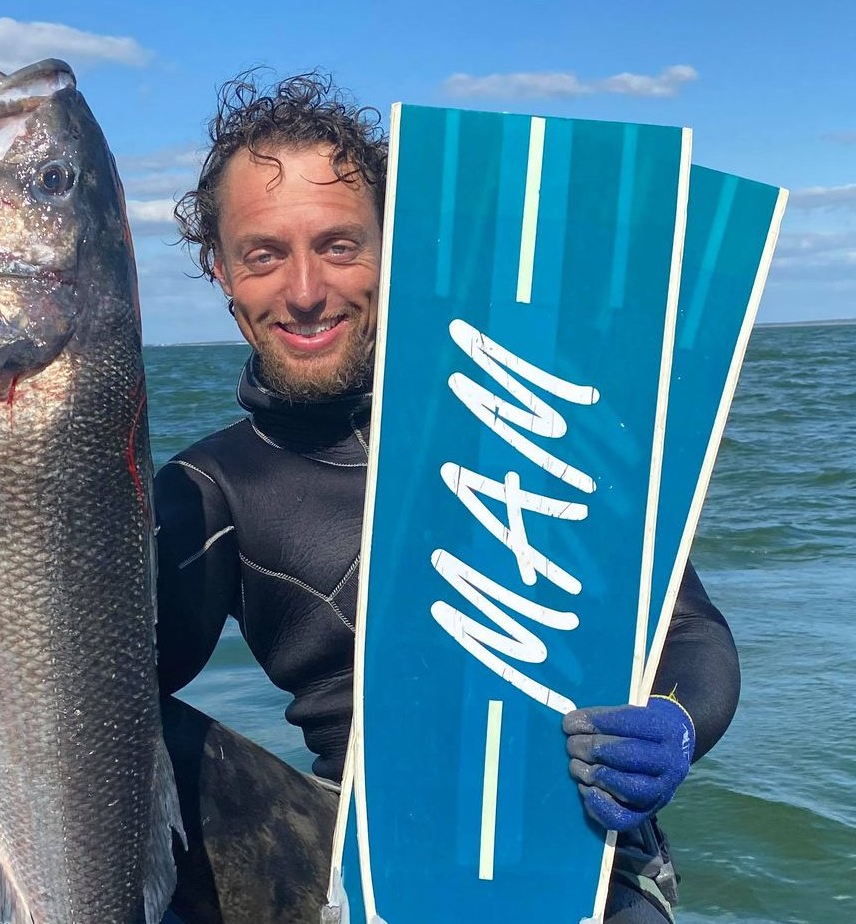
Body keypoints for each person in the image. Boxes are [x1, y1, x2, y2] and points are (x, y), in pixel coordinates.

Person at [154, 70, 741, 924]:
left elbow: (690, 632)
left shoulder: (533, 413)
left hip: (584, 866)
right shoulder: (212, 489)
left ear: (397, 246)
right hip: (354, 863)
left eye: (340, 245)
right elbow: (99, 693)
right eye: (265, 254)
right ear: (222, 273)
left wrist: (673, 723)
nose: (306, 290)